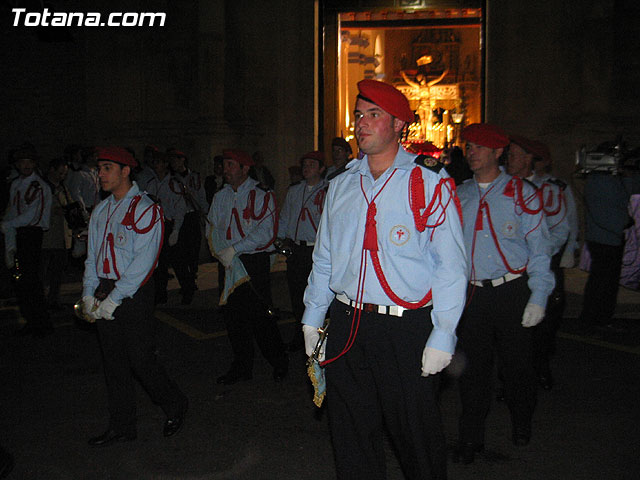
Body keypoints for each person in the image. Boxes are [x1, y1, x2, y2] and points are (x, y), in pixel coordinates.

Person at [302, 79, 467, 479]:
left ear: (398, 125)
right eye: (359, 115)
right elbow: (324, 257)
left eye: (374, 114)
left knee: (416, 436)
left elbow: (450, 266)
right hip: (346, 322)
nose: (362, 123)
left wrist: (444, 333)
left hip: (404, 327)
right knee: (351, 436)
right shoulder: (341, 185)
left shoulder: (428, 183)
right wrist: (312, 316)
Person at [455, 124, 554, 463]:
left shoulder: (521, 192)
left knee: (517, 367)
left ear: (498, 152)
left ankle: (522, 419)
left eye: (479, 147)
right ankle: (470, 437)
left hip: (511, 290)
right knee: (472, 371)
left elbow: (540, 247)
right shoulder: (459, 194)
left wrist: (539, 295)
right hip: (472, 295)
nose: (471, 152)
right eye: (468, 146)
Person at [82, 147, 188, 447]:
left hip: (134, 292)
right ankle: (122, 425)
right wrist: (89, 293)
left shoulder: (146, 208)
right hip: (106, 287)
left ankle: (175, 403)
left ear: (125, 171)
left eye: (106, 168)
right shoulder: (101, 210)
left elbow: (144, 262)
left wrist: (115, 299)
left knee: (141, 360)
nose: (100, 174)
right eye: (99, 168)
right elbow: (94, 256)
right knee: (113, 362)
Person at [207, 149, 288, 385]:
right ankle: (242, 365)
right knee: (233, 317)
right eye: (225, 165)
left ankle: (278, 361)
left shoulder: (262, 194)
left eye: (231, 165)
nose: (226, 170)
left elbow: (266, 232)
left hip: (252, 262)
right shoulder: (220, 196)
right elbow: (212, 225)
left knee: (261, 315)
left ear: (244, 169)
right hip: (229, 262)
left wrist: (236, 248)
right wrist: (223, 252)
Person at [511, 137, 577, 390]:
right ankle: (513, 378)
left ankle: (539, 366)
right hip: (513, 266)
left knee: (545, 320)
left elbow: (564, 226)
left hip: (544, 260)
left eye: (515, 154)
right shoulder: (503, 186)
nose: (509, 159)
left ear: (529, 158)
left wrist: (550, 252)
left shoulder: (551, 189)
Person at [579, 157, 640, 327]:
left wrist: (628, 175)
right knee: (602, 282)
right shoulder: (600, 181)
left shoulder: (610, 179)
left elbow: (630, 192)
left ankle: (599, 317)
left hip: (609, 237)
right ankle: (594, 318)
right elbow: (606, 210)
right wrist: (623, 223)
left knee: (605, 282)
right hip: (604, 239)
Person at [1, 144, 53, 337]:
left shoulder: (38, 186)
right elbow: (12, 210)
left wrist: (8, 225)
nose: (26, 165)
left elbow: (32, 217)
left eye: (29, 162)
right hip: (18, 232)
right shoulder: (16, 184)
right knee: (22, 280)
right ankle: (31, 319)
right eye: (22, 162)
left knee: (31, 280)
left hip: (31, 234)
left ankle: (40, 322)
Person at [278, 150, 327, 351]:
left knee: (318, 295)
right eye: (304, 164)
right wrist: (281, 240)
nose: (306, 168)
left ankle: (321, 335)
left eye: (311, 165)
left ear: (321, 169)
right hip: (297, 248)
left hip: (316, 251)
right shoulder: (295, 190)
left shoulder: (327, 190)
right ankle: (300, 334)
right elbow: (286, 216)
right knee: (297, 294)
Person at [167, 148, 208, 304]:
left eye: (176, 159)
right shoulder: (171, 180)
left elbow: (201, 196)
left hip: (191, 216)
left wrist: (205, 214)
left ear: (183, 159)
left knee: (193, 252)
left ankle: (190, 280)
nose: (174, 163)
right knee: (179, 254)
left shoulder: (194, 177)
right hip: (177, 219)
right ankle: (187, 285)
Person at [42, 157, 73, 311]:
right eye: (60, 173)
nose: (62, 177)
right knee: (44, 271)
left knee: (57, 272)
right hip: (46, 238)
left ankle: (53, 299)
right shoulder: (42, 187)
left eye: (64, 174)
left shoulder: (63, 188)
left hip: (61, 237)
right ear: (52, 170)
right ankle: (41, 300)